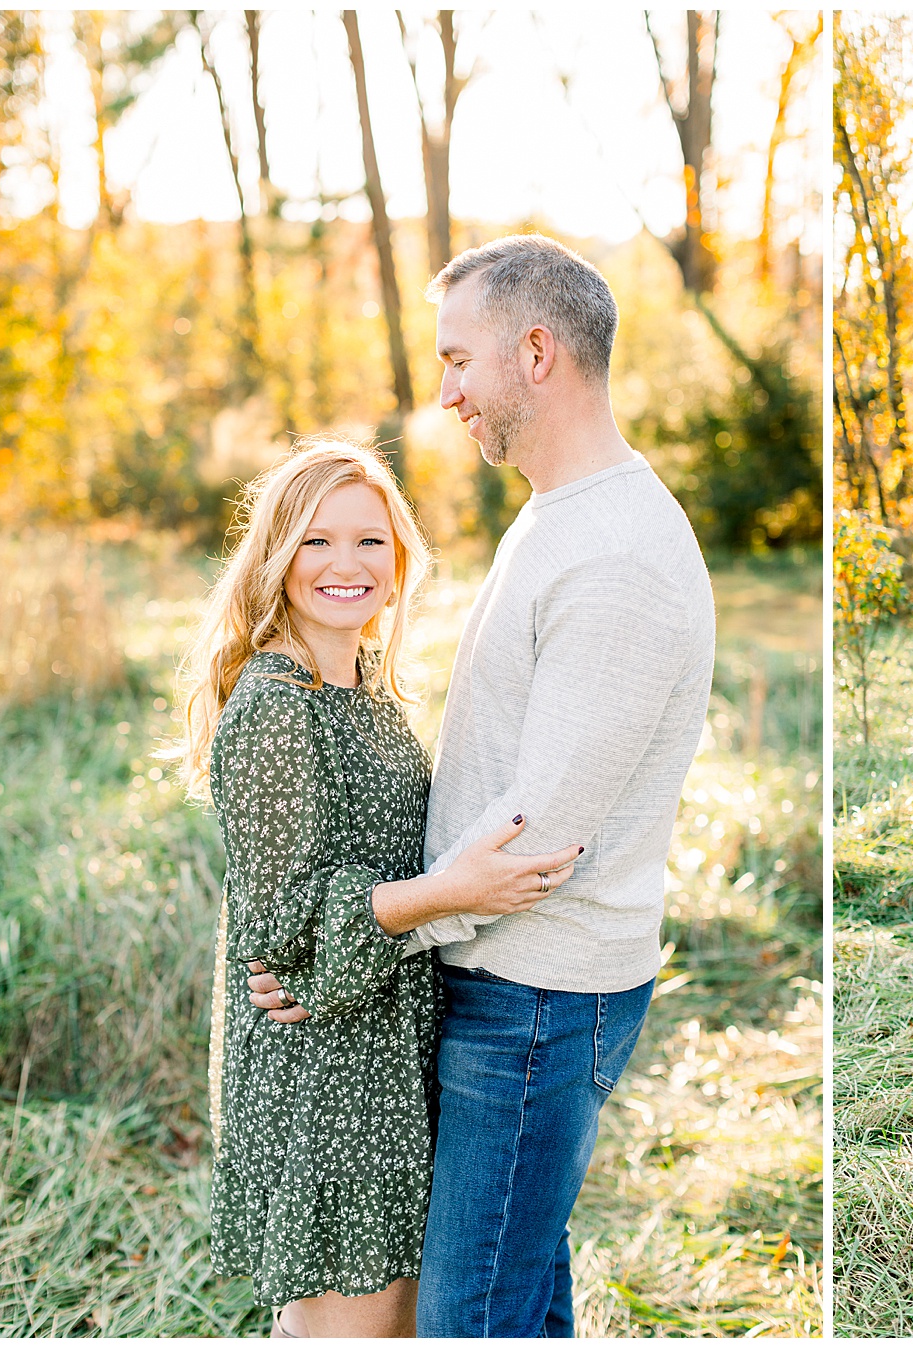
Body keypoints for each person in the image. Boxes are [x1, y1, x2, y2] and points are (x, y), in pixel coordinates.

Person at [248, 236, 716, 1336]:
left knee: (474, 1316)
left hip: (537, 999)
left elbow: (536, 842)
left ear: (537, 352)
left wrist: (351, 941)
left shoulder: (615, 554)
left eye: (460, 360)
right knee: (515, 1288)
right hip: (514, 985)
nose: (444, 391)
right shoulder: (565, 512)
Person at [179, 439, 582, 1338]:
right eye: (317, 542)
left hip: (386, 1046)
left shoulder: (362, 687)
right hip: (324, 1070)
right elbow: (288, 927)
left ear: (400, 562)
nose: (346, 565)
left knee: (394, 1319)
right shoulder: (277, 709)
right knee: (355, 1325)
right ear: (277, 558)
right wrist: (449, 890)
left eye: (371, 542)